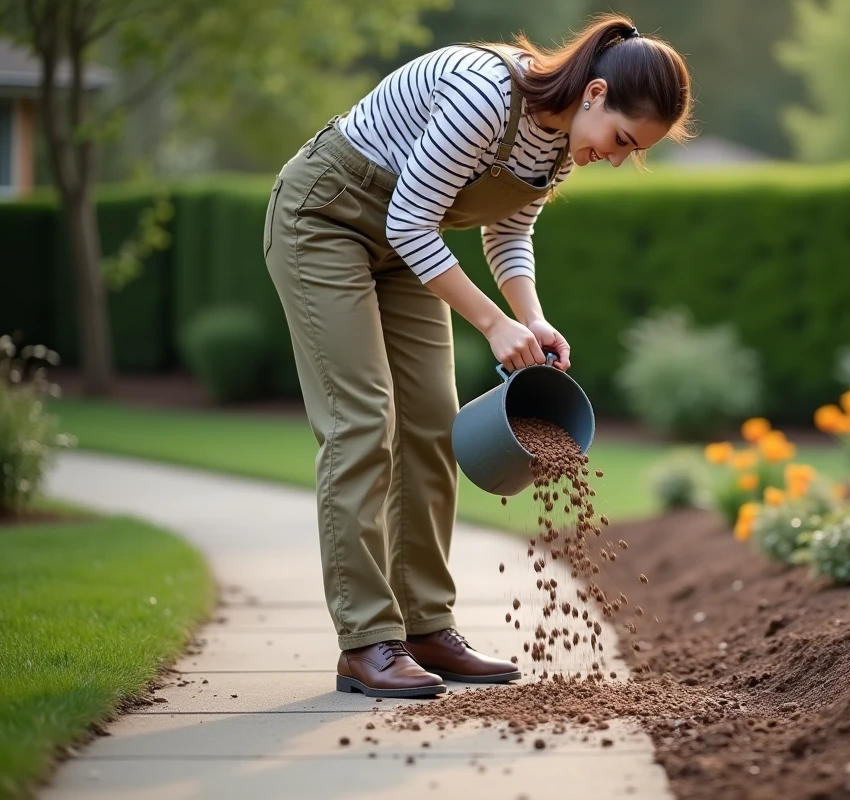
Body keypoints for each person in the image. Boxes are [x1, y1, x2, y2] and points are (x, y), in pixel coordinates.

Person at [262, 13, 694, 698]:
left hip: (405, 246)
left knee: (436, 424)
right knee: (363, 423)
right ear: (595, 94)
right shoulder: (486, 94)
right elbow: (408, 217)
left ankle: (426, 626)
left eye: (628, 151)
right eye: (619, 140)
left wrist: (532, 319)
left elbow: (506, 233)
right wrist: (493, 326)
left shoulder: (556, 149)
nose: (613, 158)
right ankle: (367, 640)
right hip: (326, 219)